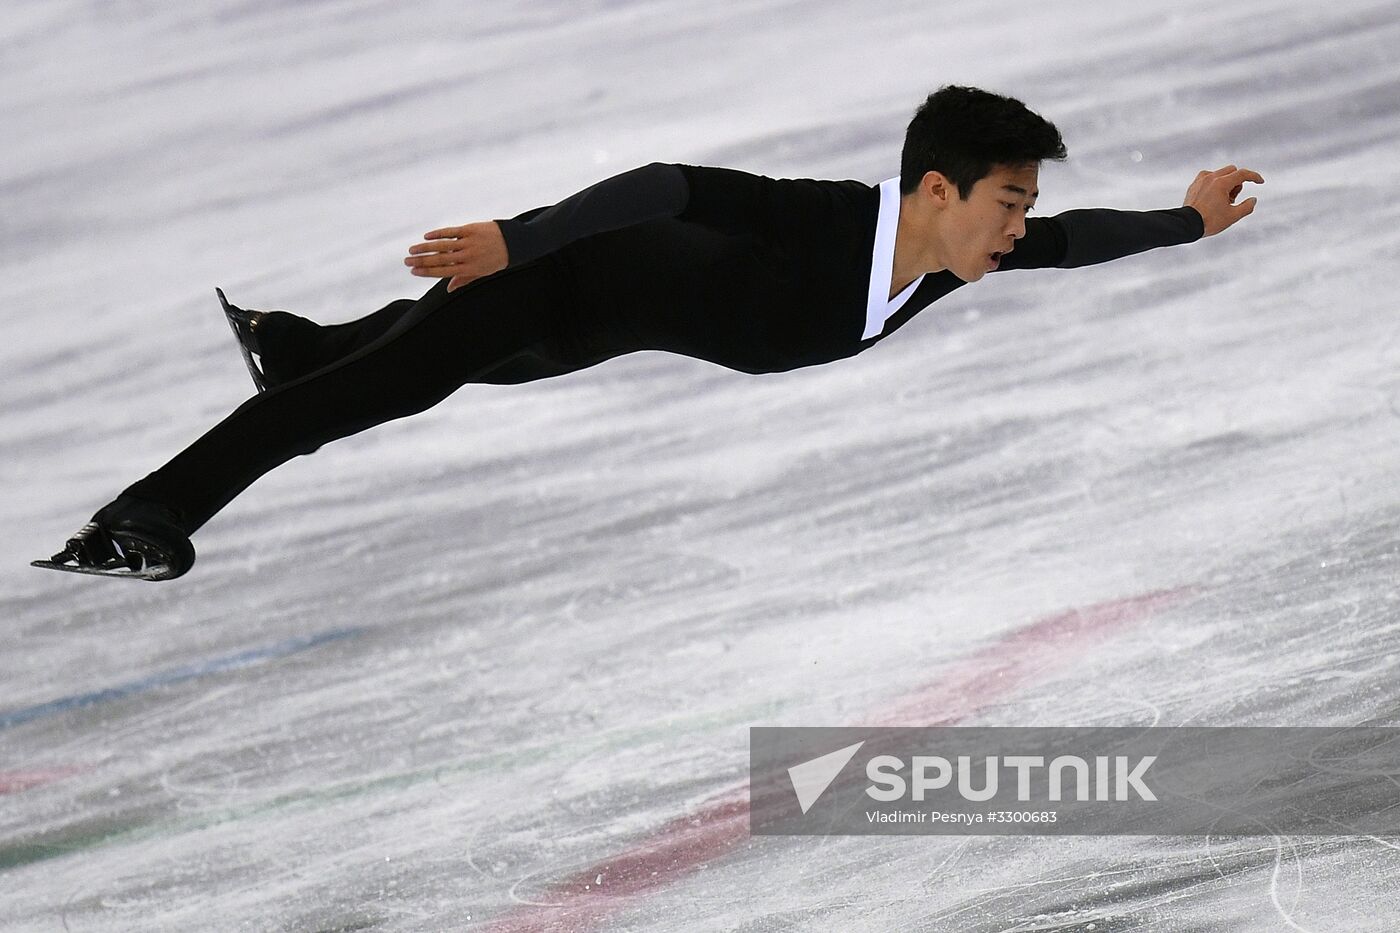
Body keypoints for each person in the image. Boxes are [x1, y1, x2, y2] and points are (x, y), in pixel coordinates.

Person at [33, 85, 1262, 581]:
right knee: (375, 397)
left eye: (1021, 210)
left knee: (406, 365)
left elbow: (1081, 237)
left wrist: (1187, 223)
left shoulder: (952, 259)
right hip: (565, 277)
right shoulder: (836, 222)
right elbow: (670, 185)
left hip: (602, 322)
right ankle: (145, 518)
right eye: (1006, 203)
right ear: (937, 189)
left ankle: (302, 344)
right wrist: (520, 235)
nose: (1018, 230)